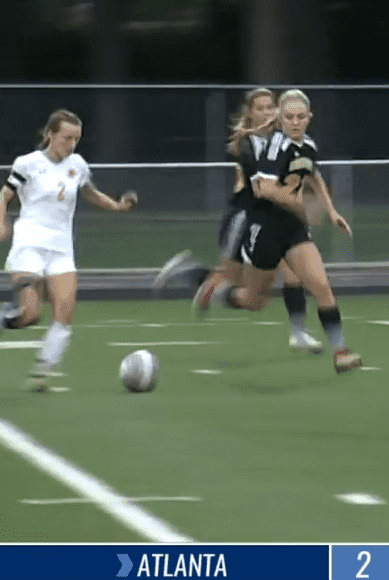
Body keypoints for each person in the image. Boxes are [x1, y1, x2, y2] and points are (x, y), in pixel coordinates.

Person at [0, 109, 138, 392]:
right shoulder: (28, 163)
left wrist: (116, 206)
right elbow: (2, 197)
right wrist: (0, 225)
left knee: (64, 314)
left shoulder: (78, 165)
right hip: (29, 244)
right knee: (29, 314)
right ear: (50, 135)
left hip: (61, 249)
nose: (71, 144)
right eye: (66, 137)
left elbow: (88, 192)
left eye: (76, 139)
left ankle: (41, 373)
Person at [152, 87, 324, 353]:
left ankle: (298, 332)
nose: (268, 112)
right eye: (261, 108)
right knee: (234, 285)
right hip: (244, 219)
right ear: (250, 114)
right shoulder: (247, 145)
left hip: (275, 220)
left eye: (271, 107)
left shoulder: (285, 138)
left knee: (288, 277)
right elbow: (266, 186)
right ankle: (188, 274)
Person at [203, 89, 364, 374]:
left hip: (292, 230)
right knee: (255, 300)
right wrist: (297, 204)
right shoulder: (275, 146)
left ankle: (340, 352)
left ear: (309, 118)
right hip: (264, 229)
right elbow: (263, 189)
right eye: (289, 117)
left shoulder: (308, 145)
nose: (295, 122)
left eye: (301, 117)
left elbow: (314, 174)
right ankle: (221, 291)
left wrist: (331, 210)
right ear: (281, 118)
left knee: (321, 285)